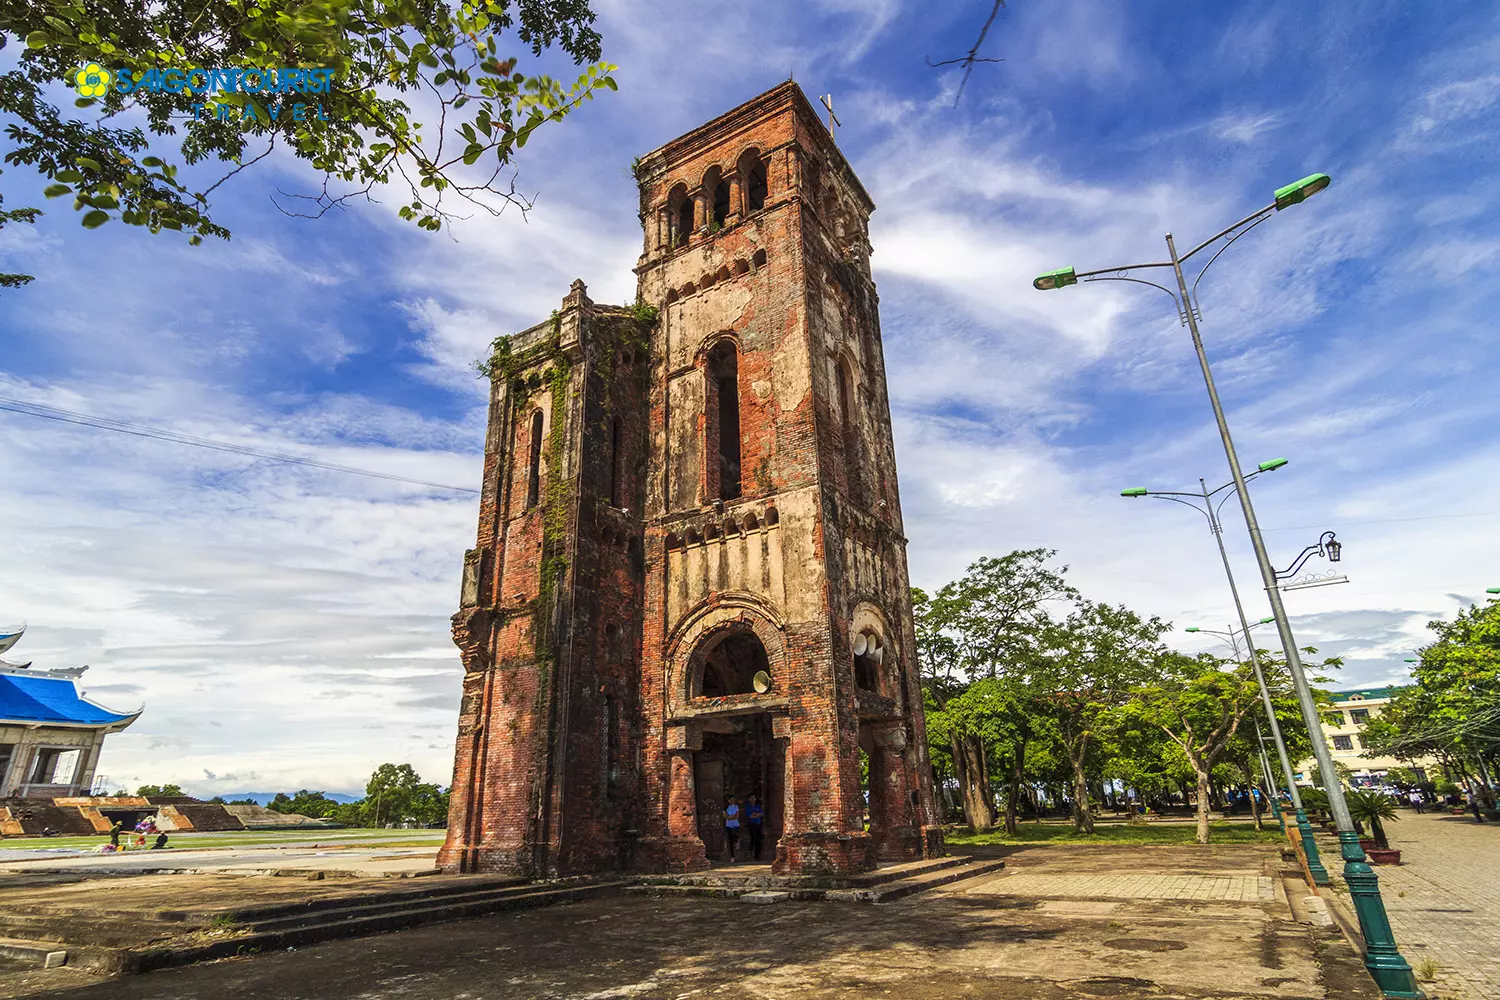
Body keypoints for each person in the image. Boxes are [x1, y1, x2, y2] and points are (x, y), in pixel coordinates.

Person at [745, 794, 765, 861]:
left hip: (758, 824)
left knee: (758, 840)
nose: (753, 799)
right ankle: (750, 853)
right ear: (749, 799)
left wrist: (755, 814)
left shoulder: (758, 806)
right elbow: (750, 816)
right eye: (751, 798)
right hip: (752, 824)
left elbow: (761, 814)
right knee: (753, 838)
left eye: (754, 798)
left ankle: (757, 855)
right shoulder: (748, 807)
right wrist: (757, 814)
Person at [723, 796, 741, 863]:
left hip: (735, 824)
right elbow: (726, 817)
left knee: (735, 835)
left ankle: (737, 842)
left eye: (734, 799)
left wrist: (731, 817)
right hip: (729, 825)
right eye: (731, 800)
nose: (732, 801)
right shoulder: (726, 808)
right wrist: (732, 816)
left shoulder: (736, 806)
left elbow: (737, 816)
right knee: (730, 840)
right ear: (728, 800)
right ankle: (732, 857)